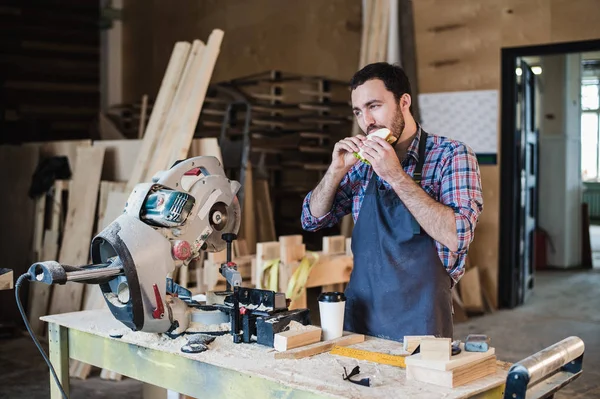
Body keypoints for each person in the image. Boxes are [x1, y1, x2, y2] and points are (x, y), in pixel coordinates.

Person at [300, 62, 483, 341]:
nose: (367, 121)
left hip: (421, 320)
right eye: (359, 111)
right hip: (360, 314)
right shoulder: (362, 164)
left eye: (374, 106)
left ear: (404, 102)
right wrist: (335, 170)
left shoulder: (451, 155)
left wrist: (396, 176)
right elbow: (311, 219)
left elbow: (457, 236)